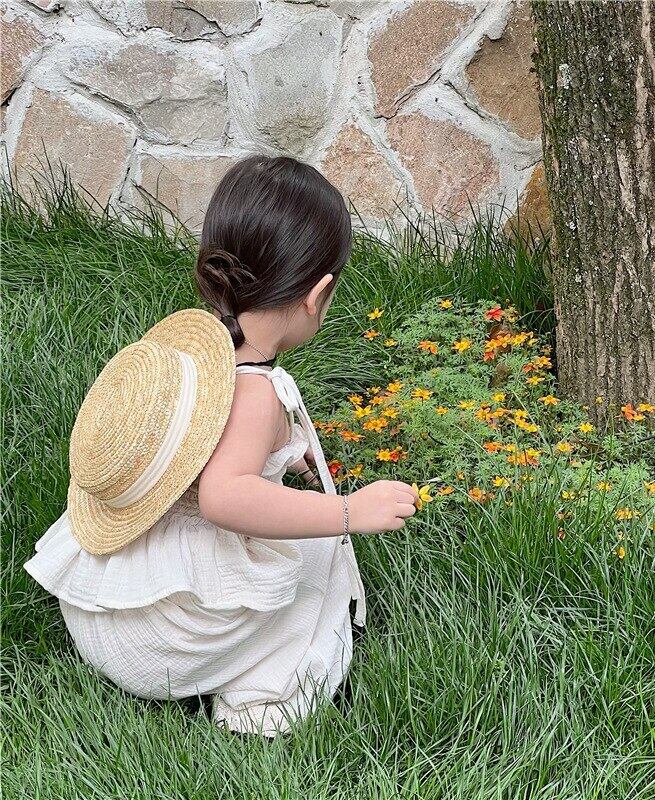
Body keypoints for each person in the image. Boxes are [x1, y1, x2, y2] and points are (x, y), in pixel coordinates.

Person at [24, 155, 419, 737]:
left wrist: (283, 455)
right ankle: (261, 697)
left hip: (102, 613)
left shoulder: (195, 355)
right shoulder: (256, 394)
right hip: (168, 643)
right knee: (317, 562)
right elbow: (223, 497)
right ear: (318, 295)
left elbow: (204, 447)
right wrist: (348, 512)